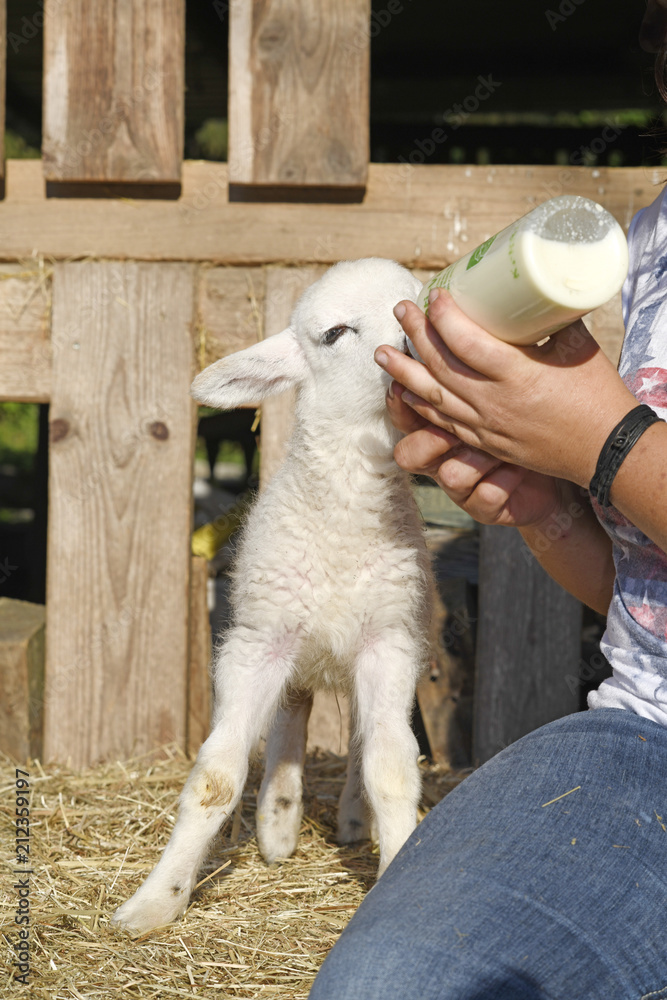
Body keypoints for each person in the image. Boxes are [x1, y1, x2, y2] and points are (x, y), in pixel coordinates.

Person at [308, 5, 667, 998]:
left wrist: (603, 440)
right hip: (647, 739)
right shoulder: (655, 236)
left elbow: (616, 447)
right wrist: (541, 502)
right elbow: (640, 596)